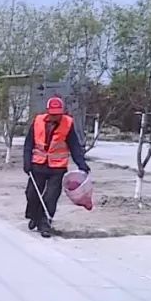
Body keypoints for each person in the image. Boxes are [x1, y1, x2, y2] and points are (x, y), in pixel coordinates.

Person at [23, 96, 90, 238]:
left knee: (51, 196)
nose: (56, 116)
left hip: (57, 168)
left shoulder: (68, 123)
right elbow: (29, 144)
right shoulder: (38, 121)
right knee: (31, 194)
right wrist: (27, 162)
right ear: (48, 111)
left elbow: (74, 146)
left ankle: (45, 223)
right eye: (53, 113)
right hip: (38, 165)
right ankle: (34, 216)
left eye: (58, 113)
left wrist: (82, 164)